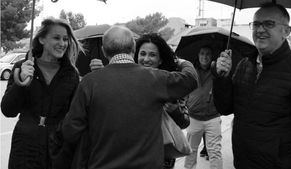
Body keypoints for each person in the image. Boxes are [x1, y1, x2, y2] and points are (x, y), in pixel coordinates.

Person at [61, 25, 198, 169]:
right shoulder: (155, 79)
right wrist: (182, 61)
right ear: (133, 49)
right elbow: (191, 79)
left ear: (103, 51)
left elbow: (70, 130)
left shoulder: (90, 82)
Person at [213, 3, 291, 169]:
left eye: (269, 24)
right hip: (242, 159)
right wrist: (221, 78)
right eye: (257, 24)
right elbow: (225, 108)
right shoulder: (245, 64)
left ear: (286, 31)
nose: (260, 30)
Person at [1, 18, 82, 169]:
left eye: (65, 39)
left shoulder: (71, 74)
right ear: (42, 39)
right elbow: (8, 110)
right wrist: (21, 82)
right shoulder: (22, 67)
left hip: (57, 149)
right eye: (56, 38)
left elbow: (74, 116)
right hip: (25, 148)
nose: (63, 43)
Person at [134, 33, 191, 169]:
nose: (146, 59)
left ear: (160, 60)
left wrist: (175, 111)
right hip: (134, 155)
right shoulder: (128, 82)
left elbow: (185, 122)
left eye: (152, 55)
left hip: (161, 157)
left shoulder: (171, 85)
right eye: (142, 53)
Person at [184, 46, 223, 169]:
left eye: (208, 54)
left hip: (213, 118)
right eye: (202, 53)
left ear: (212, 56)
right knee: (190, 151)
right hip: (193, 118)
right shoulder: (191, 70)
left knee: (215, 152)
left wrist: (219, 76)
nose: (204, 56)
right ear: (198, 55)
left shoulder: (217, 71)